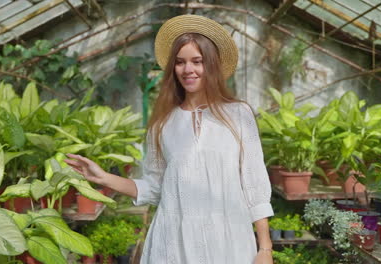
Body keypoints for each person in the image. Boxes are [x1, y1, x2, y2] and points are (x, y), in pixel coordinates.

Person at [65, 14, 274, 264]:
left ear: (212, 64)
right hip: (174, 241)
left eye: (197, 61)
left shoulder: (238, 114)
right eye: (180, 62)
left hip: (229, 239)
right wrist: (103, 177)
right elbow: (154, 187)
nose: (188, 70)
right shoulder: (162, 124)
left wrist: (265, 248)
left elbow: (255, 184)